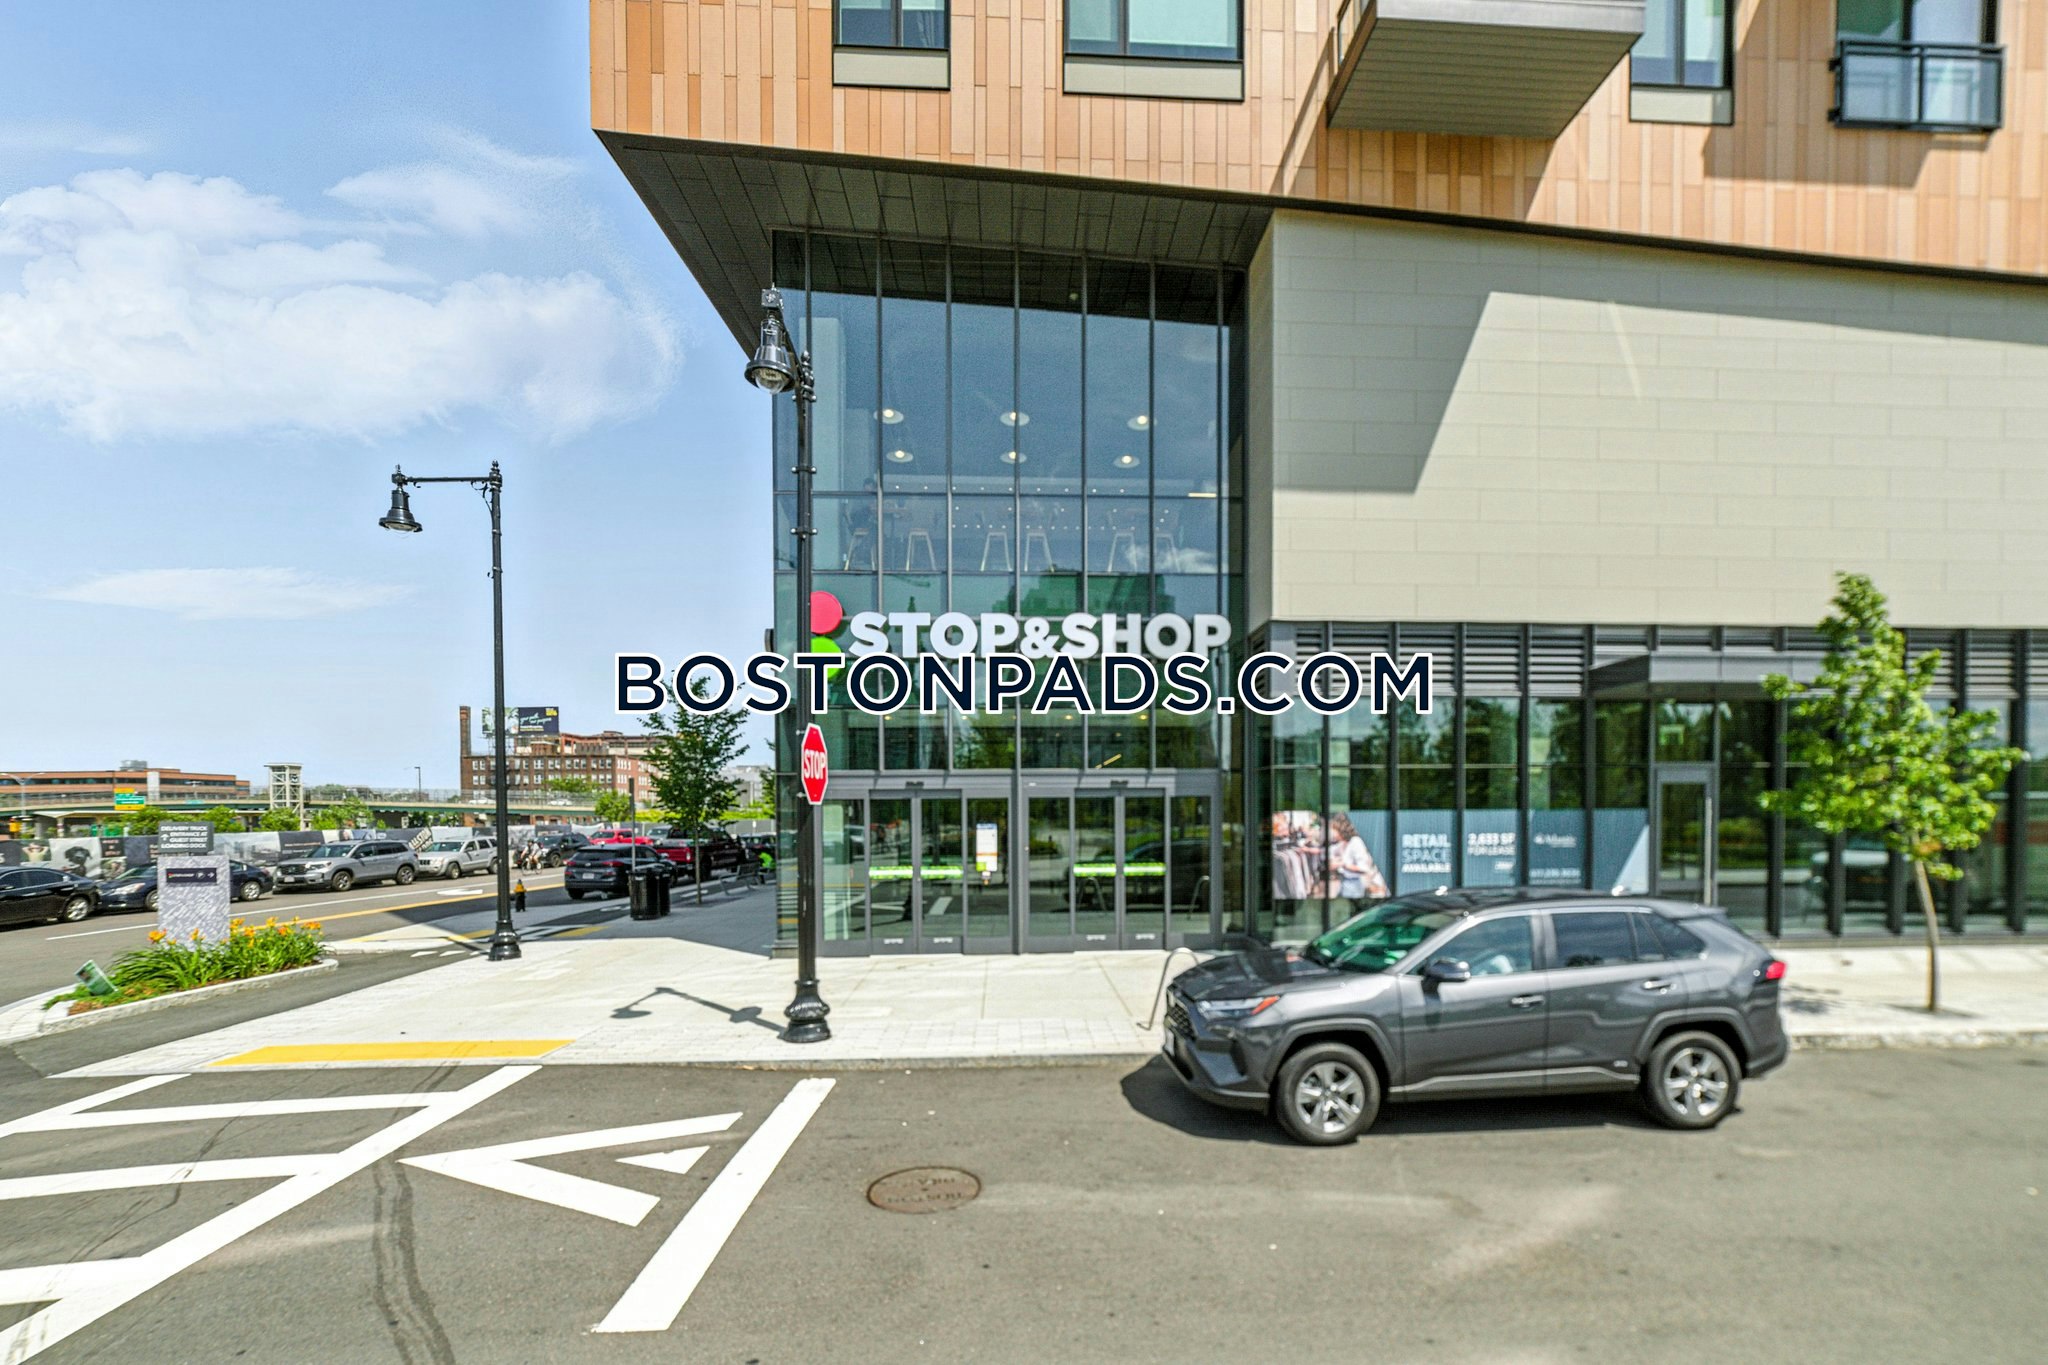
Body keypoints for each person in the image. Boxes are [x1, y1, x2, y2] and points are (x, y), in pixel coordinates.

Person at [1326, 813, 1390, 901]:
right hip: (1345, 883)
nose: (1330, 833)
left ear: (1339, 828)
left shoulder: (1355, 842)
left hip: (1354, 885)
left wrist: (1342, 864)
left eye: (1332, 829)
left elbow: (1364, 868)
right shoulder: (1343, 844)